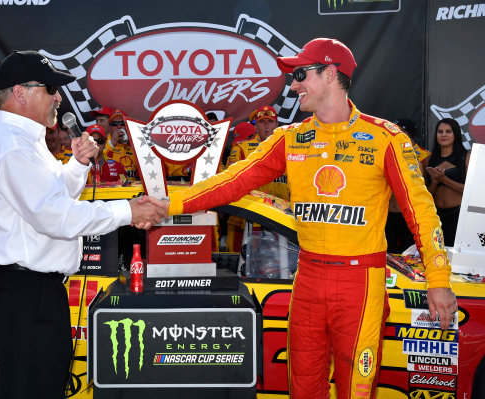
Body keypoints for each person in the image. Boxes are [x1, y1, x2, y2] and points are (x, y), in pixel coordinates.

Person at [159, 38, 456, 399]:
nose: (293, 84)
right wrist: (166, 205)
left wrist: (438, 278)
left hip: (361, 281)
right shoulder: (291, 138)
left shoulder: (385, 138)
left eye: (301, 74)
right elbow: (232, 182)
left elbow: (421, 211)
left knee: (357, 391)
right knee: (303, 386)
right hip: (309, 277)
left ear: (331, 74)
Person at [0, 50, 164, 399]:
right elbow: (55, 217)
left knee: (39, 385)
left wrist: (76, 165)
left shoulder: (24, 142)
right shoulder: (13, 146)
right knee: (33, 389)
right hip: (26, 290)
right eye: (51, 88)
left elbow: (52, 200)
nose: (59, 96)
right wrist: (128, 212)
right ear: (21, 92)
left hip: (32, 289)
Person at [425, 118, 470, 246]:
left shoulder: (465, 157)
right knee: (438, 255)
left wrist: (443, 179)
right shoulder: (429, 160)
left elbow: (469, 191)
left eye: (448, 131)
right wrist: (434, 182)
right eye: (440, 131)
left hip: (458, 215)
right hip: (436, 216)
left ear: (455, 134)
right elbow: (427, 195)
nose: (444, 134)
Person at [386, 118, 427, 253]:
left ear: (408, 134)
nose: (395, 133)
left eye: (400, 131)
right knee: (388, 253)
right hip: (387, 215)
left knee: (407, 255)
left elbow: (418, 189)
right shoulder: (386, 154)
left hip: (406, 216)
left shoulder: (414, 159)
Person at [103, 109, 139, 179]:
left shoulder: (136, 144)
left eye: (122, 123)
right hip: (112, 189)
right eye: (114, 124)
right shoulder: (102, 142)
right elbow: (97, 161)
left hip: (134, 188)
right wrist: (112, 143)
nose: (119, 127)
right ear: (109, 128)